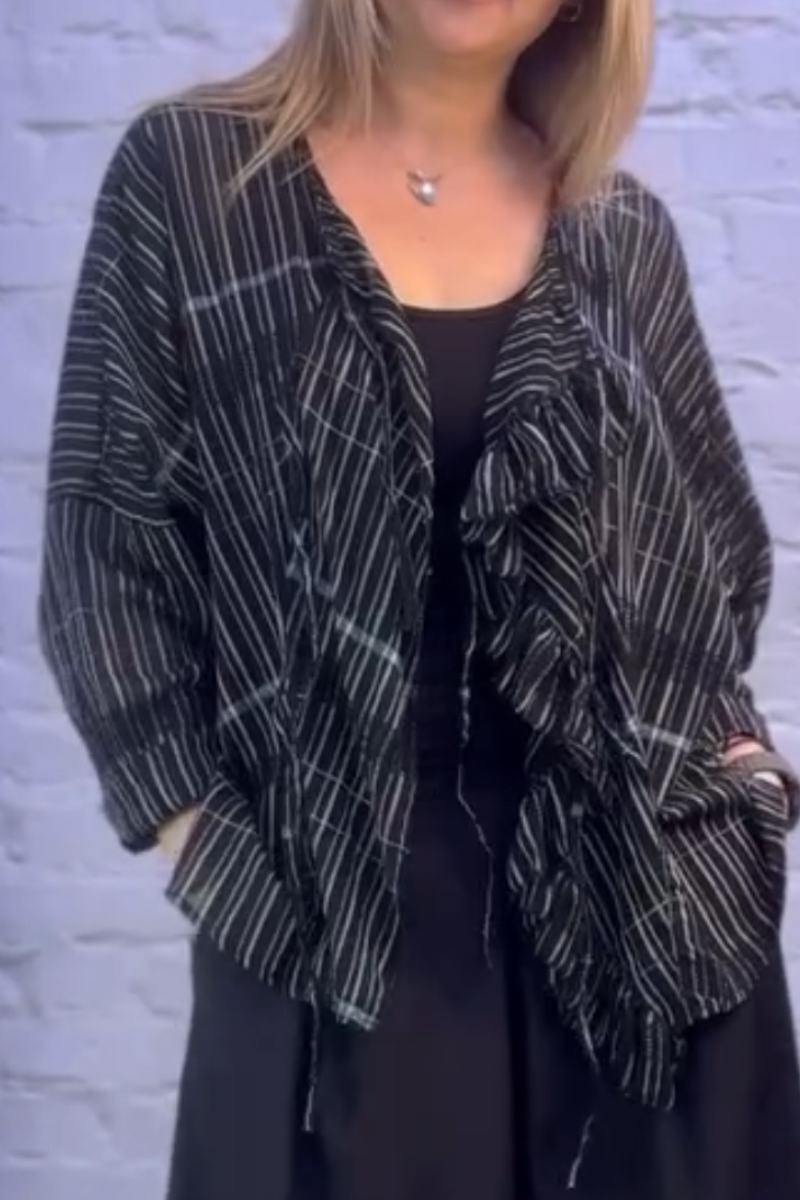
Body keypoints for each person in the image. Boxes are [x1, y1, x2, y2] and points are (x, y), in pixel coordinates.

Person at [38, 0, 800, 1197]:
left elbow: (707, 551)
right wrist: (195, 832)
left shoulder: (616, 228)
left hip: (633, 894)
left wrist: (739, 773)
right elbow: (105, 542)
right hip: (322, 896)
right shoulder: (196, 181)